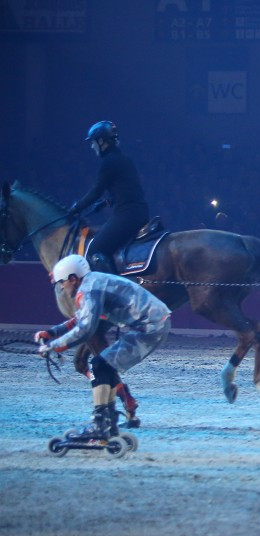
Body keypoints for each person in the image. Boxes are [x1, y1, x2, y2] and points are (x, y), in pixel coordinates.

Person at [35, 254, 171, 439]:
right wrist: (52, 332)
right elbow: (82, 318)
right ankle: (108, 423)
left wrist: (54, 346)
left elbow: (86, 329)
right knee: (103, 365)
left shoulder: (90, 290)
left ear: (73, 279)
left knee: (99, 365)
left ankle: (100, 425)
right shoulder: (92, 282)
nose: (61, 287)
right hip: (154, 324)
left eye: (62, 282)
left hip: (151, 328)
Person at [67, 121, 150, 275]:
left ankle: (113, 288)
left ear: (101, 141)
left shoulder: (109, 162)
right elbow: (128, 189)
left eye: (93, 142)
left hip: (127, 215)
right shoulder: (124, 159)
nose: (92, 147)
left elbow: (95, 191)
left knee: (95, 250)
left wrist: (76, 208)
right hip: (138, 212)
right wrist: (107, 202)